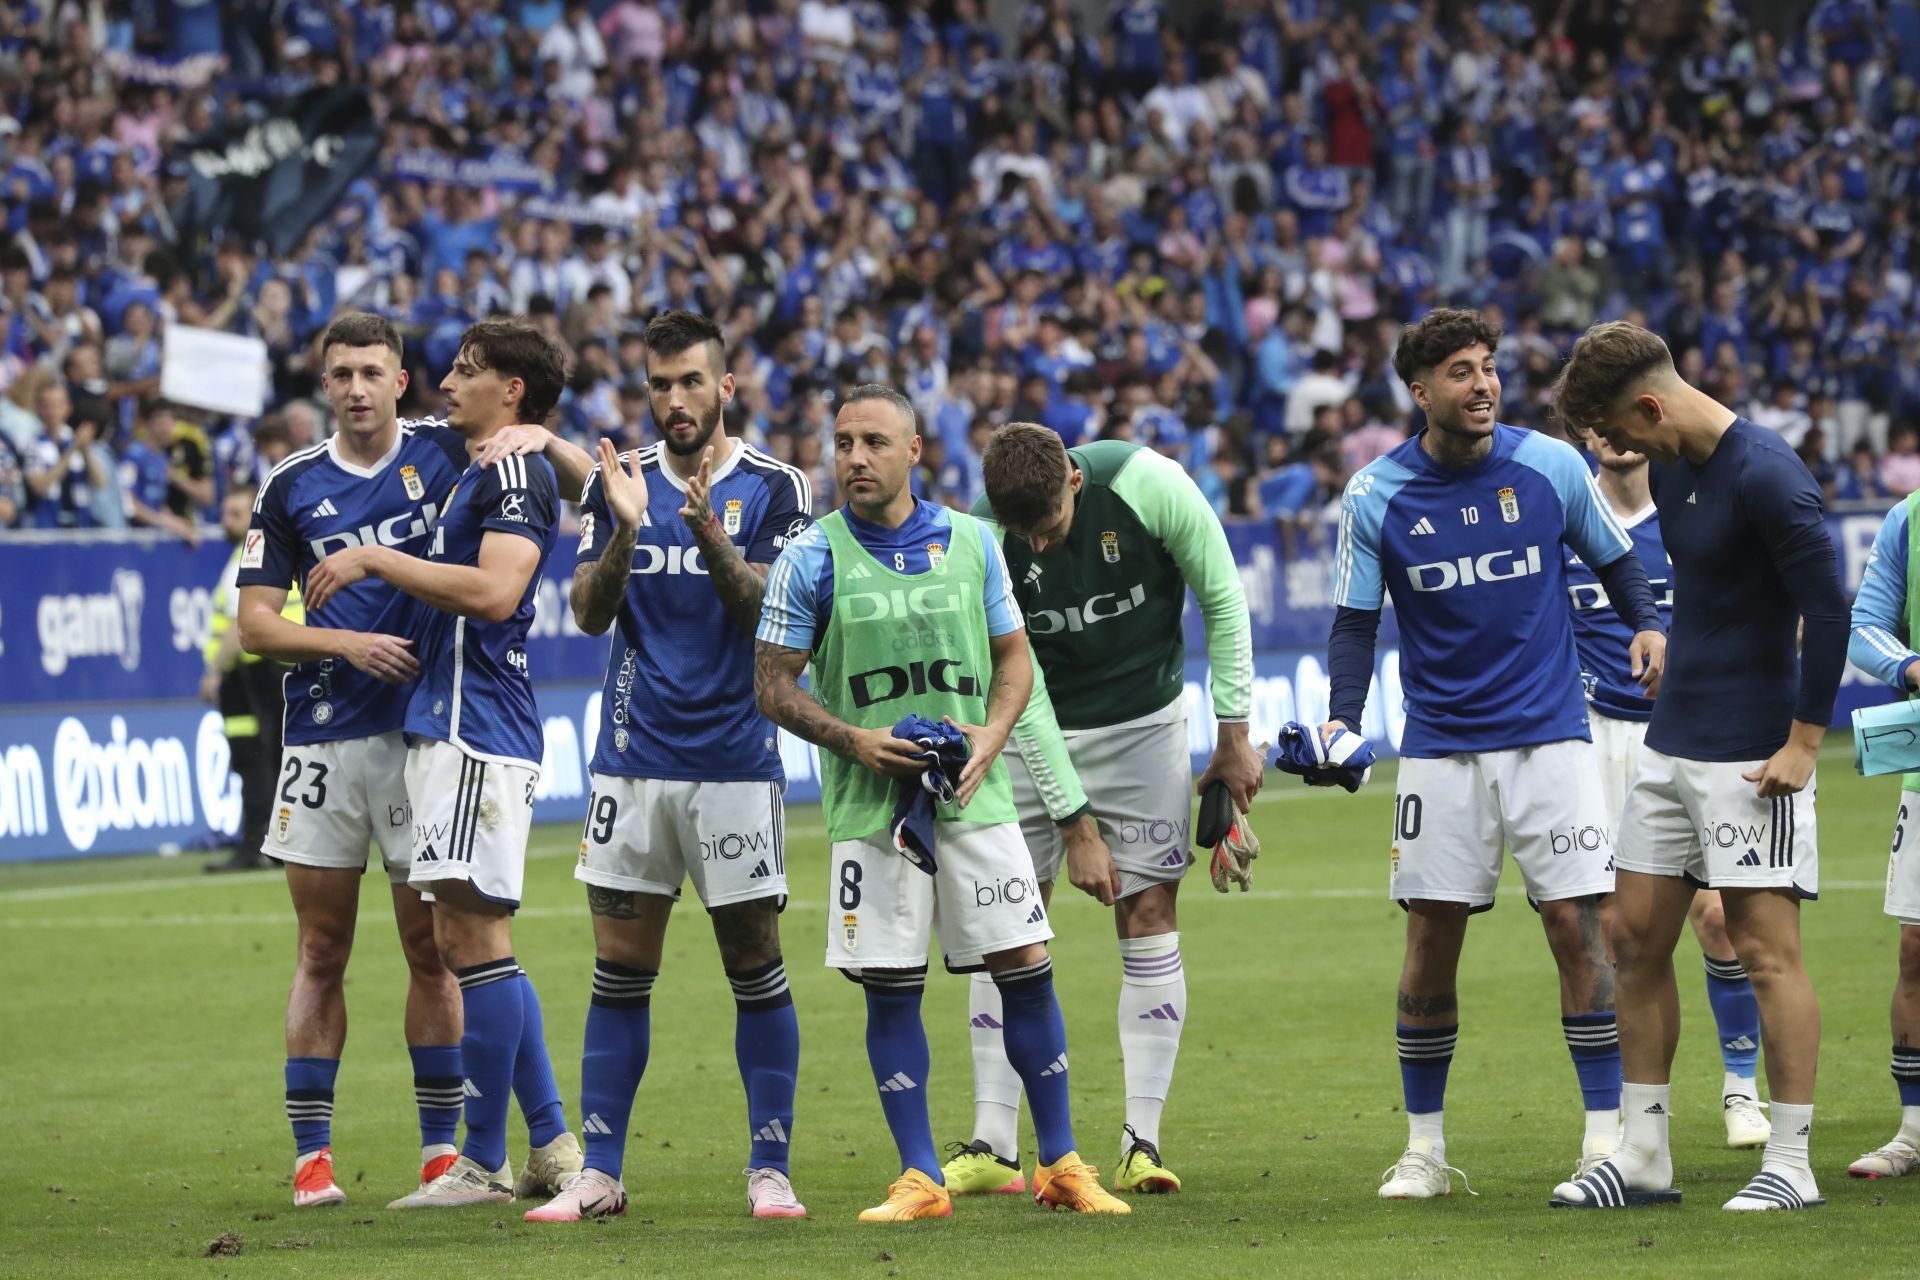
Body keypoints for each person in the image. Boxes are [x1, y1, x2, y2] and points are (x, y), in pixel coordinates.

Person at [755, 384, 1130, 1221]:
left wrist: (993, 737)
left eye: (874, 442)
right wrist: (855, 740)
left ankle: (1063, 1162)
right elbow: (771, 686)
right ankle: (921, 1176)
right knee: (891, 989)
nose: (855, 457)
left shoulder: (972, 543)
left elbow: (1015, 661)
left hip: (977, 801)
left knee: (1026, 974)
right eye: (844, 441)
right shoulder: (809, 557)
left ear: (914, 451)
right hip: (870, 812)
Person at [1321, 308, 1665, 1201]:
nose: (1482, 385)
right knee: (1431, 937)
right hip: (1440, 749)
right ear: (1420, 391)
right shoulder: (1376, 493)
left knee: (1578, 927)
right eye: (1461, 373)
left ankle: (1604, 1140)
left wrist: (1649, 626)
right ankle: (1424, 1150)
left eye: (1489, 368)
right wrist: (1338, 719)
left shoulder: (1551, 465)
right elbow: (1356, 623)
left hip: (1553, 736)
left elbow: (1617, 559)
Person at [250, 313, 589, 1211]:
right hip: (331, 732)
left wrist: (548, 438)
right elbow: (254, 624)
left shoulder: (464, 450)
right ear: (323, 384)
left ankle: (460, 1153)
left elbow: (509, 567)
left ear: (399, 380)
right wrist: (345, 643)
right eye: (339, 373)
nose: (358, 387)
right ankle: (324, 1157)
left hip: (435, 729)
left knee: (446, 947)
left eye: (375, 371)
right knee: (333, 946)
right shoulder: (291, 484)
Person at [1549, 320, 1847, 1212]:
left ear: (1648, 403)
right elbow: (1710, 602)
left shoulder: (1769, 475)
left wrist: (1801, 744)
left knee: (1764, 953)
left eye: (1617, 430)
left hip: (1755, 752)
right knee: (1632, 937)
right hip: (1668, 741)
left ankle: (1790, 1163)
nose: (1619, 451)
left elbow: (1826, 613)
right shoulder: (1675, 467)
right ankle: (1643, 1156)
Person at [527, 311, 814, 1223]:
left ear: (726, 387)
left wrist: (710, 539)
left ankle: (769, 1167)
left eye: (692, 382)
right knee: (619, 968)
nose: (675, 400)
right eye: (660, 384)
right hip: (631, 766)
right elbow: (584, 611)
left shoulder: (776, 486)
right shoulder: (621, 482)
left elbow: (775, 610)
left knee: (754, 961)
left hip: (735, 761)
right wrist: (623, 531)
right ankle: (601, 1171)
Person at [951, 420, 1261, 1196]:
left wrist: (1233, 735)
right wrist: (1075, 822)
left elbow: (1223, 598)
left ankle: (1140, 1143)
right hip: (1027, 723)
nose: (1040, 547)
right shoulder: (986, 533)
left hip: (1144, 723)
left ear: (1075, 483)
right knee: (1005, 921)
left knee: (1149, 912)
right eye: (1024, 533)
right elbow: (1012, 674)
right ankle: (993, 1146)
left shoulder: (1148, 484)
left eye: (1049, 525)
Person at [1565, 433, 1770, 1151]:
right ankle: (1638, 1114)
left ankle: (1742, 1091)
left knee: (1720, 919)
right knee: (1620, 934)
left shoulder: (1692, 508)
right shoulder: (1568, 512)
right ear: (1584, 431)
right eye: (1598, 418)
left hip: (1697, 729)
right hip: (1595, 738)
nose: (1615, 434)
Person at [1840, 497, 1920, 1179]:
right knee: (1917, 947)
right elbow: (1865, 627)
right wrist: (1913, 668)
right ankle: (1915, 1131)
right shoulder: (1910, 518)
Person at [204, 484, 290, 874]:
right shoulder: (277, 550)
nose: (227, 521)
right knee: (272, 756)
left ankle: (258, 844)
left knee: (253, 758)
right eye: (225, 513)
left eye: (237, 513)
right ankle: (274, 845)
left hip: (250, 671)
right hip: (276, 667)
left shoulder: (249, 557)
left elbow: (240, 623)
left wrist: (213, 671)